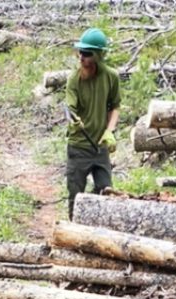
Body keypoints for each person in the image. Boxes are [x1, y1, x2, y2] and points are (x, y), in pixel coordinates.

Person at [64, 28, 121, 219]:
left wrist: (109, 131)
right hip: (78, 147)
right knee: (76, 196)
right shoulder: (74, 79)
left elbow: (115, 106)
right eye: (80, 52)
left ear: (98, 55)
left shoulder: (111, 77)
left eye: (87, 53)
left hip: (100, 148)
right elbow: (69, 108)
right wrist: (73, 120)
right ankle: (72, 232)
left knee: (106, 192)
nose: (81, 57)